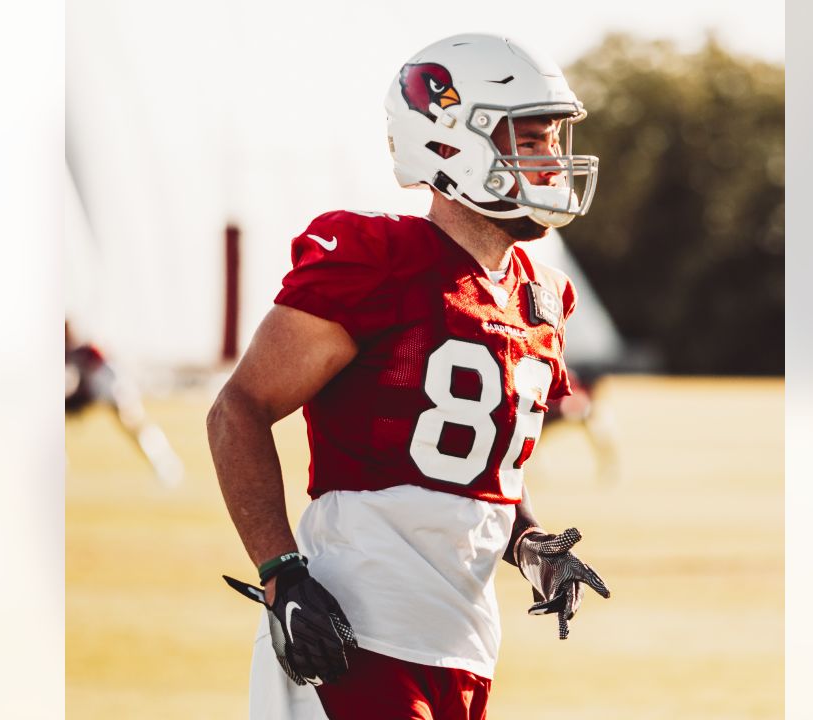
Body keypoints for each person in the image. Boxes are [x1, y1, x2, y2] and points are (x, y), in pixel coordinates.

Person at [207, 33, 610, 719]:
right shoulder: (376, 258)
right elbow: (237, 409)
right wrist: (280, 573)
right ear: (450, 144)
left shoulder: (541, 296)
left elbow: (477, 472)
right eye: (530, 139)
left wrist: (529, 542)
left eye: (551, 139)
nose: (551, 161)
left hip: (463, 637)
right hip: (353, 627)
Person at [66, 321, 183, 487]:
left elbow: (104, 376)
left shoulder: (88, 351)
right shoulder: (68, 354)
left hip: (112, 390)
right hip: (88, 392)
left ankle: (164, 463)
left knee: (134, 426)